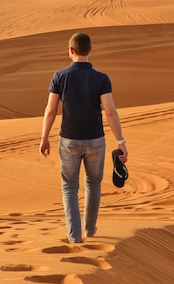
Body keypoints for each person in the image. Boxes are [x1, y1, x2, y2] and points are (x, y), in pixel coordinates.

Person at [39, 32, 128, 243]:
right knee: (93, 185)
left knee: (69, 187)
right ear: (90, 50)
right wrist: (120, 142)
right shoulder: (101, 78)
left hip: (68, 140)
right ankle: (90, 229)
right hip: (95, 140)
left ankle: (74, 236)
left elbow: (50, 110)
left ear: (71, 51)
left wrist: (44, 138)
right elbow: (110, 111)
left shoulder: (59, 76)